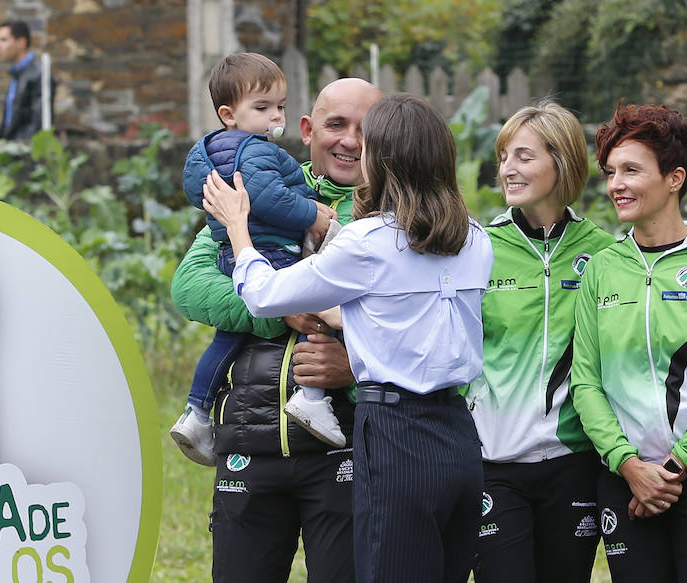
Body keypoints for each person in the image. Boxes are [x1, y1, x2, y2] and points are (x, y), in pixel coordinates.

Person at [202, 93, 494, 583]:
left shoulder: (368, 242)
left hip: (396, 433)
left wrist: (238, 229)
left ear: (385, 161)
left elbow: (264, 294)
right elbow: (408, 310)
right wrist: (343, 316)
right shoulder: (475, 238)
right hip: (460, 436)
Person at [170, 77, 382, 583]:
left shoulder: (393, 214)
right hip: (250, 441)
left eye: (365, 129)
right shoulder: (258, 192)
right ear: (306, 130)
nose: (350, 140)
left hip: (346, 447)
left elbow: (409, 327)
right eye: (336, 125)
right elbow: (191, 285)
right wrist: (276, 309)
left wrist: (354, 366)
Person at [570, 104, 687, 582]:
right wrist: (629, 466)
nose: (616, 184)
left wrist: (673, 469)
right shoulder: (602, 269)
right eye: (611, 172)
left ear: (675, 178)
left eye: (631, 170)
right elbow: (586, 384)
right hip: (624, 479)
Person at [171, 52, 343, 467]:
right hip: (268, 252)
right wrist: (313, 213)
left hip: (236, 252)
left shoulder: (212, 152)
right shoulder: (253, 150)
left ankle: (196, 410)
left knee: (226, 337)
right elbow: (268, 198)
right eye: (262, 108)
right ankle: (312, 397)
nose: (274, 117)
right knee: (309, 303)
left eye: (280, 107)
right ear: (229, 114)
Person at [466, 100, 614, 583]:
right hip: (494, 462)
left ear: (563, 161)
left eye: (524, 157)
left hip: (574, 462)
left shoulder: (604, 253)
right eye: (504, 156)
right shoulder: (479, 248)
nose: (507, 169)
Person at [0, 20, 51, 140]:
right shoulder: (17, 74)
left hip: (24, 152)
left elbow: (38, 123)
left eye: (3, 40)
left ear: (21, 42)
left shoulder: (38, 75)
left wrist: (20, 149)